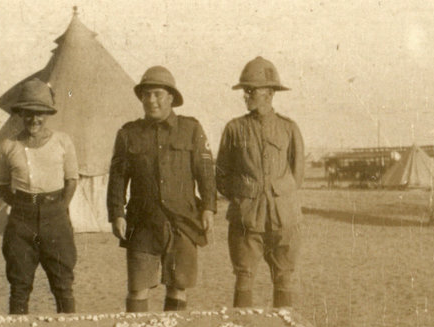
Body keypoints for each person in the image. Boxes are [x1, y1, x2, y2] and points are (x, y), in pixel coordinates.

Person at [107, 66, 216, 313]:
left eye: (157, 94)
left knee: (178, 285)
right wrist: (117, 214)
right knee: (137, 287)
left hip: (183, 221)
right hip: (143, 222)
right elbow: (117, 178)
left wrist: (209, 207)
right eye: (146, 95)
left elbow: (205, 172)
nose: (151, 101)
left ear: (170, 97)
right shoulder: (129, 133)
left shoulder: (191, 129)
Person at [216, 56, 304, 308]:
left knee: (284, 277)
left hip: (283, 219)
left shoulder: (288, 128)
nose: (246, 96)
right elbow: (221, 175)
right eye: (245, 91)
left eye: (251, 91)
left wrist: (279, 196)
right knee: (244, 278)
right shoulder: (234, 129)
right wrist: (245, 193)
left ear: (269, 93)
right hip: (246, 219)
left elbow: (297, 174)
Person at [0, 78, 79, 314]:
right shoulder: (8, 146)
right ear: (21, 114)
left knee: (63, 284)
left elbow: (71, 180)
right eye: (29, 113)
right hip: (21, 220)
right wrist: (24, 205)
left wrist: (59, 207)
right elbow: (3, 186)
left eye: (40, 114)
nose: (34, 120)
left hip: (55, 216)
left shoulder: (62, 142)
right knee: (19, 285)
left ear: (47, 115)